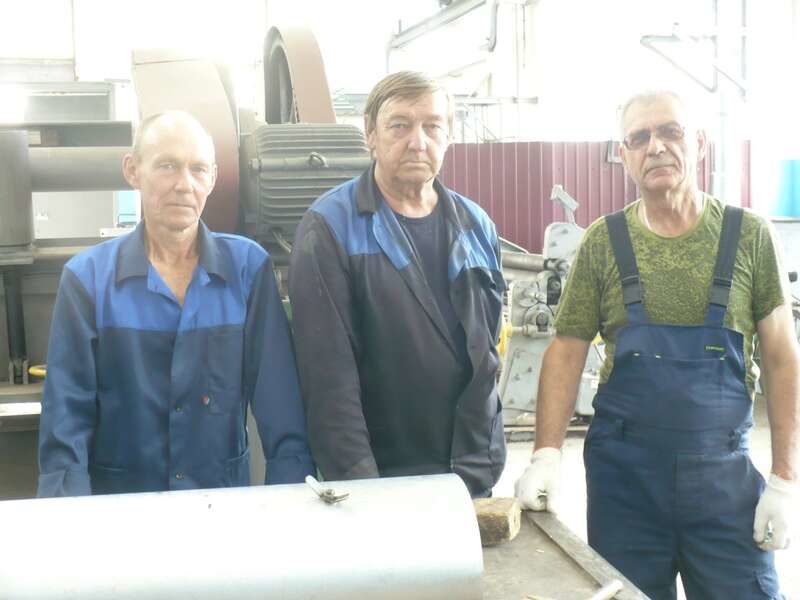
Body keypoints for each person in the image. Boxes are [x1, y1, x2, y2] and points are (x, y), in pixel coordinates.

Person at [515, 90, 799, 599]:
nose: (656, 147)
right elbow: (566, 349)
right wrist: (546, 454)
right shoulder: (603, 241)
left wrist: (784, 479)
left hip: (724, 486)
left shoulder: (750, 236)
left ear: (699, 143)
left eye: (671, 131)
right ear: (623, 155)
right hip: (626, 487)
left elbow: (782, 359)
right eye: (639, 137)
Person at [38, 110, 314, 496]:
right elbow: (66, 419)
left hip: (220, 503)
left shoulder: (247, 270)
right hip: (121, 507)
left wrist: (292, 504)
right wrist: (68, 515)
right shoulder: (88, 280)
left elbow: (279, 403)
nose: (184, 184)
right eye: (167, 166)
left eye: (198, 169)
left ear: (212, 178)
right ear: (132, 170)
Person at [289, 71, 506, 497]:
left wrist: (486, 458)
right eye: (400, 125)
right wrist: (360, 485)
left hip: (470, 474)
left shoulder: (476, 226)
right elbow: (328, 377)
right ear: (370, 135)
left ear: (449, 135)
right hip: (383, 478)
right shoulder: (331, 227)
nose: (417, 141)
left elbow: (488, 352)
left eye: (432, 126)